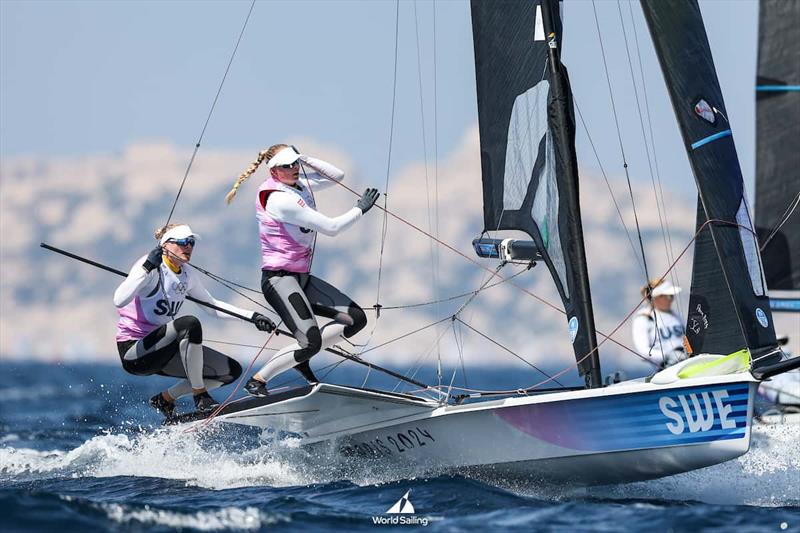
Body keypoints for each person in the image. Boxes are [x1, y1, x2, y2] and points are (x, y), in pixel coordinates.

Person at [225, 144, 378, 396]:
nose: (294, 168)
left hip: (301, 278)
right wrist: (359, 209)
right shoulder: (278, 199)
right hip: (279, 280)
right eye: (287, 165)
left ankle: (302, 355)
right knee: (310, 342)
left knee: (355, 318)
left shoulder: (298, 184)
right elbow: (330, 228)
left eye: (295, 163)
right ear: (274, 171)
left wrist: (302, 157)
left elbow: (337, 176)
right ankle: (258, 380)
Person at [114, 223, 275, 419]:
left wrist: (252, 317)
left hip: (163, 352)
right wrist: (147, 267)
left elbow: (212, 306)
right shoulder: (149, 266)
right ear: (166, 245)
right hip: (135, 352)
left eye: (191, 243)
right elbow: (119, 299)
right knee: (189, 324)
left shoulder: (188, 274)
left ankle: (165, 399)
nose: (188, 247)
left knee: (229, 371)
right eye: (182, 242)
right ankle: (200, 395)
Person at [632, 278, 688, 368]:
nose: (671, 300)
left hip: (686, 362)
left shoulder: (677, 316)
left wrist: (689, 354)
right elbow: (643, 351)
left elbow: (686, 339)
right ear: (656, 297)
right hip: (665, 368)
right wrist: (667, 355)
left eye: (672, 296)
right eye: (669, 296)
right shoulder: (644, 318)